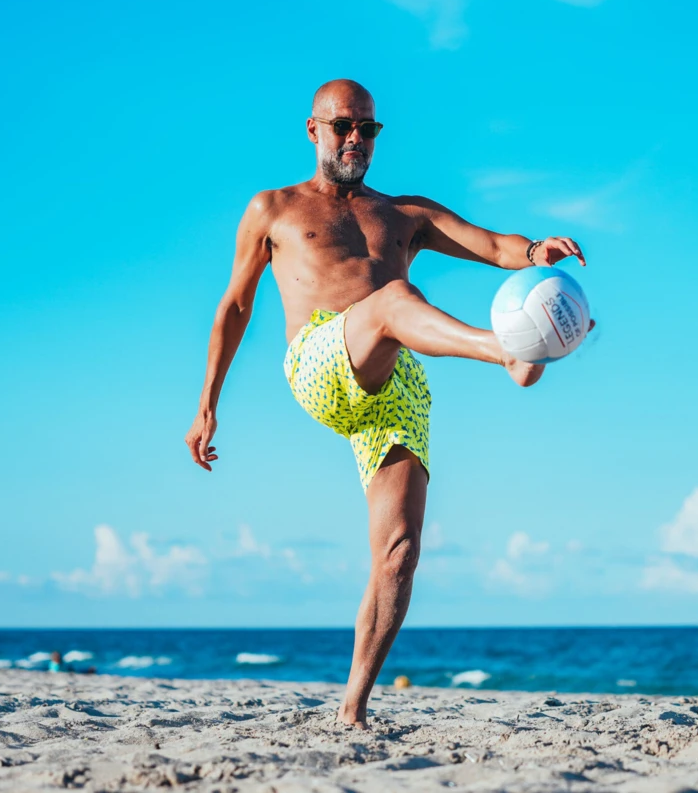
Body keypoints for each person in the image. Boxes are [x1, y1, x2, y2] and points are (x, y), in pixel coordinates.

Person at [185, 79, 587, 728]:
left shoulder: (404, 214)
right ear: (313, 130)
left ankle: (353, 708)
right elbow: (235, 306)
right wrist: (207, 404)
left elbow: (491, 245)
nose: (355, 139)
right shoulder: (273, 209)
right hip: (318, 361)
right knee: (395, 300)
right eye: (342, 126)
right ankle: (510, 352)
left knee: (399, 551)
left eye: (367, 129)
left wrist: (537, 252)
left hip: (395, 383)